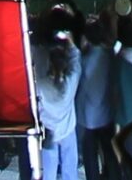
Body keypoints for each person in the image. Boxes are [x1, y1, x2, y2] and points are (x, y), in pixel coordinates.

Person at [35, 16, 84, 180]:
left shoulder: (40, 85)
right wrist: (69, 41)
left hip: (48, 131)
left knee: (48, 172)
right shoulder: (71, 81)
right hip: (68, 129)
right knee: (70, 171)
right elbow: (76, 60)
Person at [76, 11, 119, 180]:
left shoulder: (84, 58)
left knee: (90, 153)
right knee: (108, 151)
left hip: (88, 115)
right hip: (107, 112)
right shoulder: (109, 55)